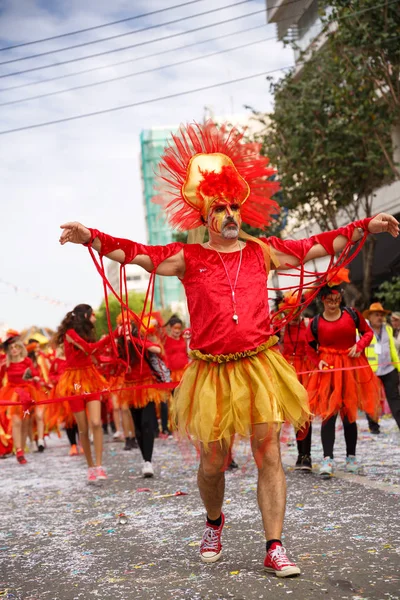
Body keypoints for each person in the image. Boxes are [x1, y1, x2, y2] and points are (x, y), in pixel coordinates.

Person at [59, 121, 399, 577]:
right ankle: (214, 523)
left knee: (269, 453)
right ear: (205, 216)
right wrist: (91, 237)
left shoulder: (263, 250)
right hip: (211, 373)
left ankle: (274, 545)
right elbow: (136, 253)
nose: (229, 214)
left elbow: (315, 245)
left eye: (234, 206)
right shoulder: (188, 257)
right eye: (219, 207)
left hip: (261, 366)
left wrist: (365, 226)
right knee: (212, 463)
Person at [306, 273, 381, 477]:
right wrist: (317, 361)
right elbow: (309, 347)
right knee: (329, 415)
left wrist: (359, 345)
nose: (333, 304)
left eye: (336, 300)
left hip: (349, 368)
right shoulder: (315, 322)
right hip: (328, 372)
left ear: (341, 297)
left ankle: (351, 458)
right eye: (329, 300)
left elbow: (368, 333)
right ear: (323, 300)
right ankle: (327, 459)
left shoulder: (352, 314)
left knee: (349, 415)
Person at [54, 304, 118, 482]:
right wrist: (112, 336)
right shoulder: (70, 334)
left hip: (91, 378)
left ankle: (99, 465)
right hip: (74, 382)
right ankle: (90, 467)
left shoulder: (88, 334)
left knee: (96, 422)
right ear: (85, 316)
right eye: (93, 315)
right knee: (83, 428)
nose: (95, 319)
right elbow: (90, 349)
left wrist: (114, 360)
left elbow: (95, 356)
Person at [117, 323, 162, 477]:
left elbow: (157, 349)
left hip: (147, 386)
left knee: (147, 423)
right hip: (130, 389)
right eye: (122, 326)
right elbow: (111, 361)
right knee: (138, 427)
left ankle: (148, 461)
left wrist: (134, 340)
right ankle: (145, 460)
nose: (125, 328)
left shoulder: (140, 341)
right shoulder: (119, 346)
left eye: (128, 326)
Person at [279, 294, 314, 472]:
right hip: (287, 372)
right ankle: (279, 456)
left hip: (306, 371)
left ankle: (305, 455)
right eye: (289, 312)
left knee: (305, 414)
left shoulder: (309, 324)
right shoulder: (281, 328)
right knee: (289, 414)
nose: (293, 315)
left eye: (296, 311)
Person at [0, 332, 39, 464]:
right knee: (16, 421)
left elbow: (34, 374)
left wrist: (35, 378)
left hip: (26, 393)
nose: (14, 350)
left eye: (16, 347)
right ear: (8, 351)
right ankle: (19, 451)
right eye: (11, 348)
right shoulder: (6, 363)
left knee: (24, 422)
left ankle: (21, 448)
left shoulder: (27, 361)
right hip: (12, 393)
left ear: (20, 348)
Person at [363, 303, 400, 432]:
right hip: (371, 371)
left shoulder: (388, 328)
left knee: (394, 399)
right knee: (372, 400)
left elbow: (392, 350)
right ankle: (374, 427)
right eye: (376, 315)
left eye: (381, 315)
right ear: (370, 317)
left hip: (389, 369)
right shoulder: (363, 330)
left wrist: (398, 367)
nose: (379, 318)